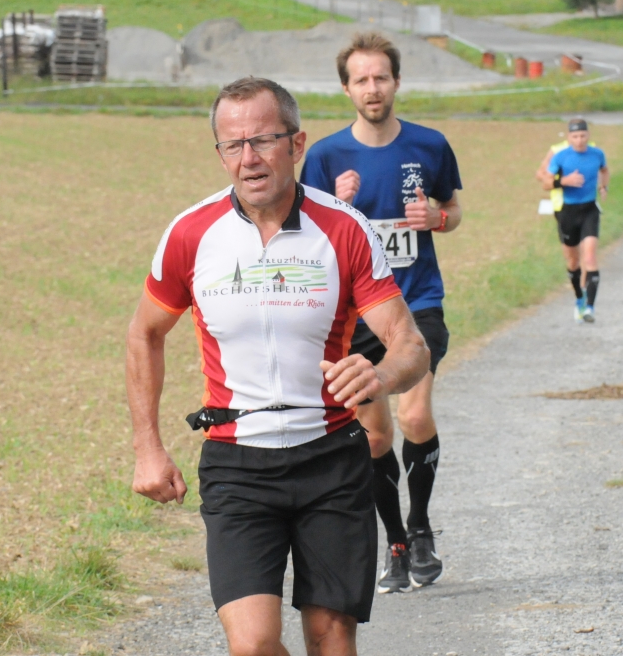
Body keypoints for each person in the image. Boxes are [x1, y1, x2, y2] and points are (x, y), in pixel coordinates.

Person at [128, 76, 430, 656]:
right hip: (236, 461)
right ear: (220, 152)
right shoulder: (191, 233)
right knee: (253, 646)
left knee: (330, 637)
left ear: (297, 144)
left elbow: (409, 344)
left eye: (264, 140)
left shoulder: (344, 227)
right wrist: (148, 447)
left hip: (331, 455)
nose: (249, 158)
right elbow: (144, 333)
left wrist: (382, 376)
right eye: (232, 144)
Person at [299, 32, 462, 595]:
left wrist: (437, 220)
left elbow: (453, 210)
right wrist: (337, 207)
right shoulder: (325, 158)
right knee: (374, 436)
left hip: (417, 304)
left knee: (414, 417)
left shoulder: (430, 145)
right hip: (357, 316)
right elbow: (305, 240)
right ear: (346, 89)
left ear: (396, 82)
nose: (373, 88)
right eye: (361, 80)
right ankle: (394, 541)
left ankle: (421, 528)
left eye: (381, 77)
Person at [546, 118, 610, 323]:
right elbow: (546, 182)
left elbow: (605, 170)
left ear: (588, 135)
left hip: (589, 209)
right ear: (569, 137)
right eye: (575, 136)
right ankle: (579, 297)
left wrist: (603, 186)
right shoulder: (561, 156)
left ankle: (590, 307)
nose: (579, 140)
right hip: (568, 212)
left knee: (590, 257)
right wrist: (563, 181)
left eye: (583, 135)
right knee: (573, 261)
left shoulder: (597, 154)